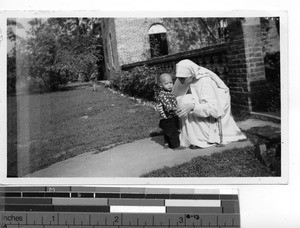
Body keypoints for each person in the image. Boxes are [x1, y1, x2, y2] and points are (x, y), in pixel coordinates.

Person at [172, 59, 246, 148]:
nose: (180, 81)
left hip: (213, 114)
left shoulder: (205, 81)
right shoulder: (182, 79)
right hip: (198, 108)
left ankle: (202, 138)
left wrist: (192, 107)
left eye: (183, 78)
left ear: (191, 75)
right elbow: (176, 96)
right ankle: (191, 137)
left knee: (187, 101)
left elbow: (214, 108)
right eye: (179, 78)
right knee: (184, 100)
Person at [155, 73, 185, 150]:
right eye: (166, 83)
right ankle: (176, 146)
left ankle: (166, 143)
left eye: (171, 83)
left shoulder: (169, 93)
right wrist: (177, 109)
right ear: (161, 85)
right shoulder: (163, 94)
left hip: (171, 116)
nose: (169, 85)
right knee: (173, 132)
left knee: (168, 130)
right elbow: (168, 106)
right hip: (167, 117)